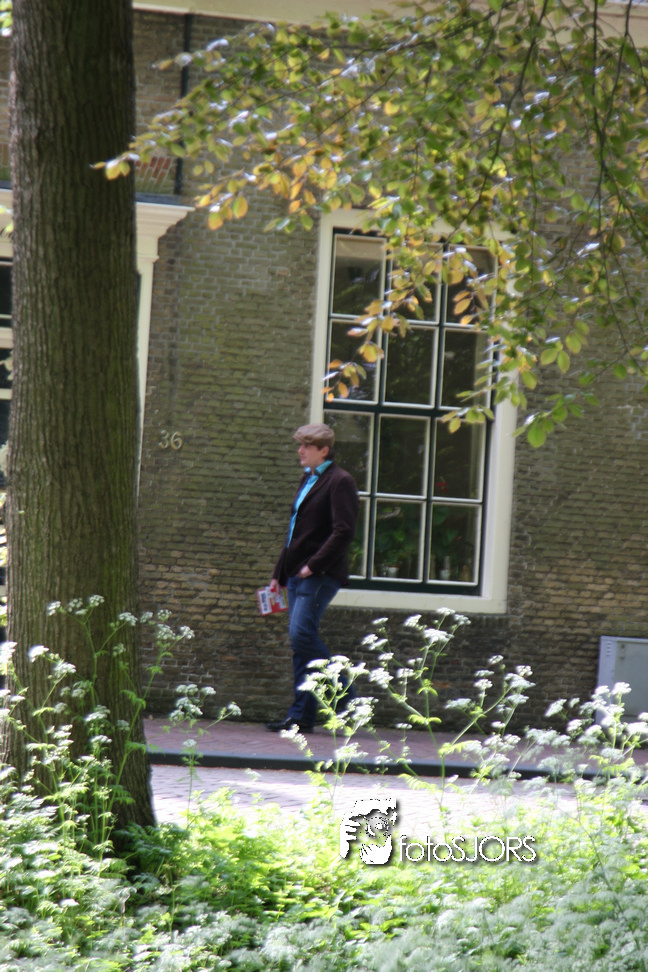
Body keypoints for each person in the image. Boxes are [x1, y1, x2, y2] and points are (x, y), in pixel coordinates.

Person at [266, 423, 359, 732]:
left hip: (320, 574)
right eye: (300, 445)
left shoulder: (340, 481)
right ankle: (301, 717)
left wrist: (314, 565)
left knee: (302, 635)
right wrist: (278, 574)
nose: (300, 451)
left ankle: (351, 704)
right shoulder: (308, 478)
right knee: (300, 643)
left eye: (306, 446)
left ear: (324, 450)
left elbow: (344, 531)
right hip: (296, 573)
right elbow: (295, 531)